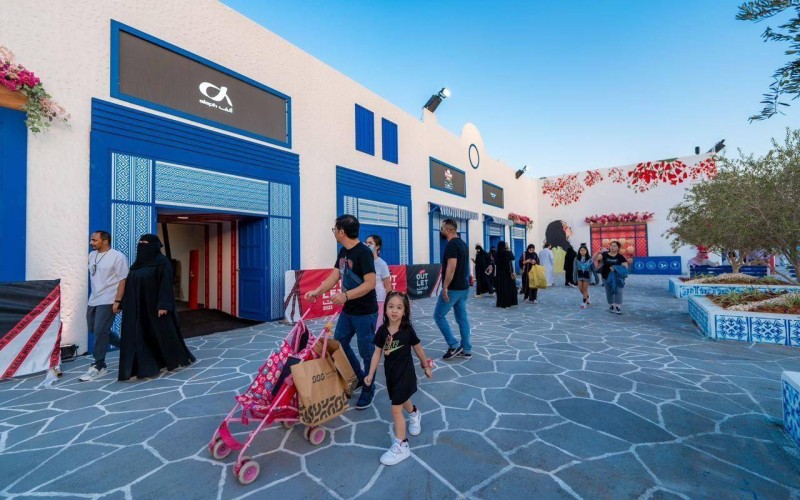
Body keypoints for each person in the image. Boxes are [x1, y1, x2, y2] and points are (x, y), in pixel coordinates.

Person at [304, 215, 378, 409]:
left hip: (365, 312)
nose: (334, 232)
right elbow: (335, 275)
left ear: (342, 232)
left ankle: (369, 388)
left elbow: (370, 284)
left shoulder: (364, 253)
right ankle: (360, 377)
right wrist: (317, 291)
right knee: (339, 344)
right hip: (348, 311)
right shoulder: (343, 252)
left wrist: (345, 296)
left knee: (367, 351)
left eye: (335, 229)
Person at [364, 291, 433, 465]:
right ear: (385, 308)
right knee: (402, 400)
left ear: (405, 311)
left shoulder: (407, 330)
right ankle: (414, 413)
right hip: (391, 374)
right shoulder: (382, 331)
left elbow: (418, 349)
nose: (394, 310)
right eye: (391, 306)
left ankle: (402, 445)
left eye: (399, 307)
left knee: (395, 408)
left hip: (406, 373)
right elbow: (377, 353)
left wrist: (425, 366)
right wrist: (370, 374)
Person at [117, 234, 195, 381]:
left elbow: (166, 283)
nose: (141, 245)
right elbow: (130, 285)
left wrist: (163, 305)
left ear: (153, 246)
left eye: (145, 243)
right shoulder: (137, 265)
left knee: (161, 334)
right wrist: (123, 303)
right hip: (138, 307)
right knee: (141, 335)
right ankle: (146, 365)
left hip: (155, 307)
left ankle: (171, 358)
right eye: (140, 242)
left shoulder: (162, 262)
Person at [80, 230, 129, 382]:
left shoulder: (118, 257)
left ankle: (99, 365)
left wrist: (118, 301)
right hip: (93, 299)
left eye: (94, 240)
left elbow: (123, 280)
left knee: (100, 331)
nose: (91, 242)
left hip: (109, 299)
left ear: (105, 241)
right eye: (91, 240)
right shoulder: (92, 255)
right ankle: (127, 347)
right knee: (94, 330)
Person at [433, 218, 472, 360]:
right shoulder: (463, 244)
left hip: (453, 288)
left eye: (442, 228)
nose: (441, 230)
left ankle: (453, 345)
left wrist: (445, 286)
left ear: (449, 230)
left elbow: (452, 266)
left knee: (438, 315)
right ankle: (466, 349)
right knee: (462, 318)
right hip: (463, 288)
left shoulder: (451, 245)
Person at [593, 240, 629, 315]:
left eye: (614, 246)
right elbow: (594, 259)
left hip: (618, 278)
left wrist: (615, 268)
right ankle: (611, 305)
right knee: (609, 291)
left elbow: (625, 267)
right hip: (606, 277)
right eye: (611, 245)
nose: (612, 247)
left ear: (618, 248)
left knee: (618, 291)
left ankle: (618, 306)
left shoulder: (620, 257)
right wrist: (598, 252)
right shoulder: (604, 255)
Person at [366, 234, 392, 329]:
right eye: (366, 243)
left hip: (378, 299)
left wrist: (390, 303)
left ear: (377, 246)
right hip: (366, 299)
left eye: (370, 243)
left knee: (376, 327)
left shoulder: (382, 264)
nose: (367, 245)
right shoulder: (363, 262)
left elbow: (388, 285)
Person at [494, 241, 518, 308]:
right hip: (507, 273)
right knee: (508, 288)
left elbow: (495, 262)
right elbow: (513, 257)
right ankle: (507, 302)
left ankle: (500, 303)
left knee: (501, 288)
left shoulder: (496, 254)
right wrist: (509, 249)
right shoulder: (506, 253)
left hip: (499, 274)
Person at [573, 244, 593, 309]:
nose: (582, 251)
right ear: (579, 251)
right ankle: (587, 296)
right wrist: (574, 278)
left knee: (585, 289)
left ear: (586, 251)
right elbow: (575, 268)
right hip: (579, 275)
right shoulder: (576, 258)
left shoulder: (589, 258)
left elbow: (592, 268)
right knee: (580, 289)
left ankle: (584, 303)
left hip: (586, 276)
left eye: (584, 250)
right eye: (581, 250)